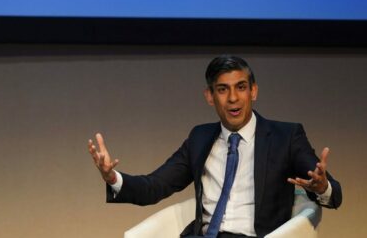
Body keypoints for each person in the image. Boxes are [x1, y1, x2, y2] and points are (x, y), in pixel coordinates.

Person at [88, 55, 341, 237]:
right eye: (223, 89)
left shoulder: (285, 136)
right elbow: (155, 186)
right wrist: (113, 179)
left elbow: (332, 192)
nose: (233, 98)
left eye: (241, 87)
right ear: (210, 96)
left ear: (253, 91)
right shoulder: (200, 138)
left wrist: (322, 187)